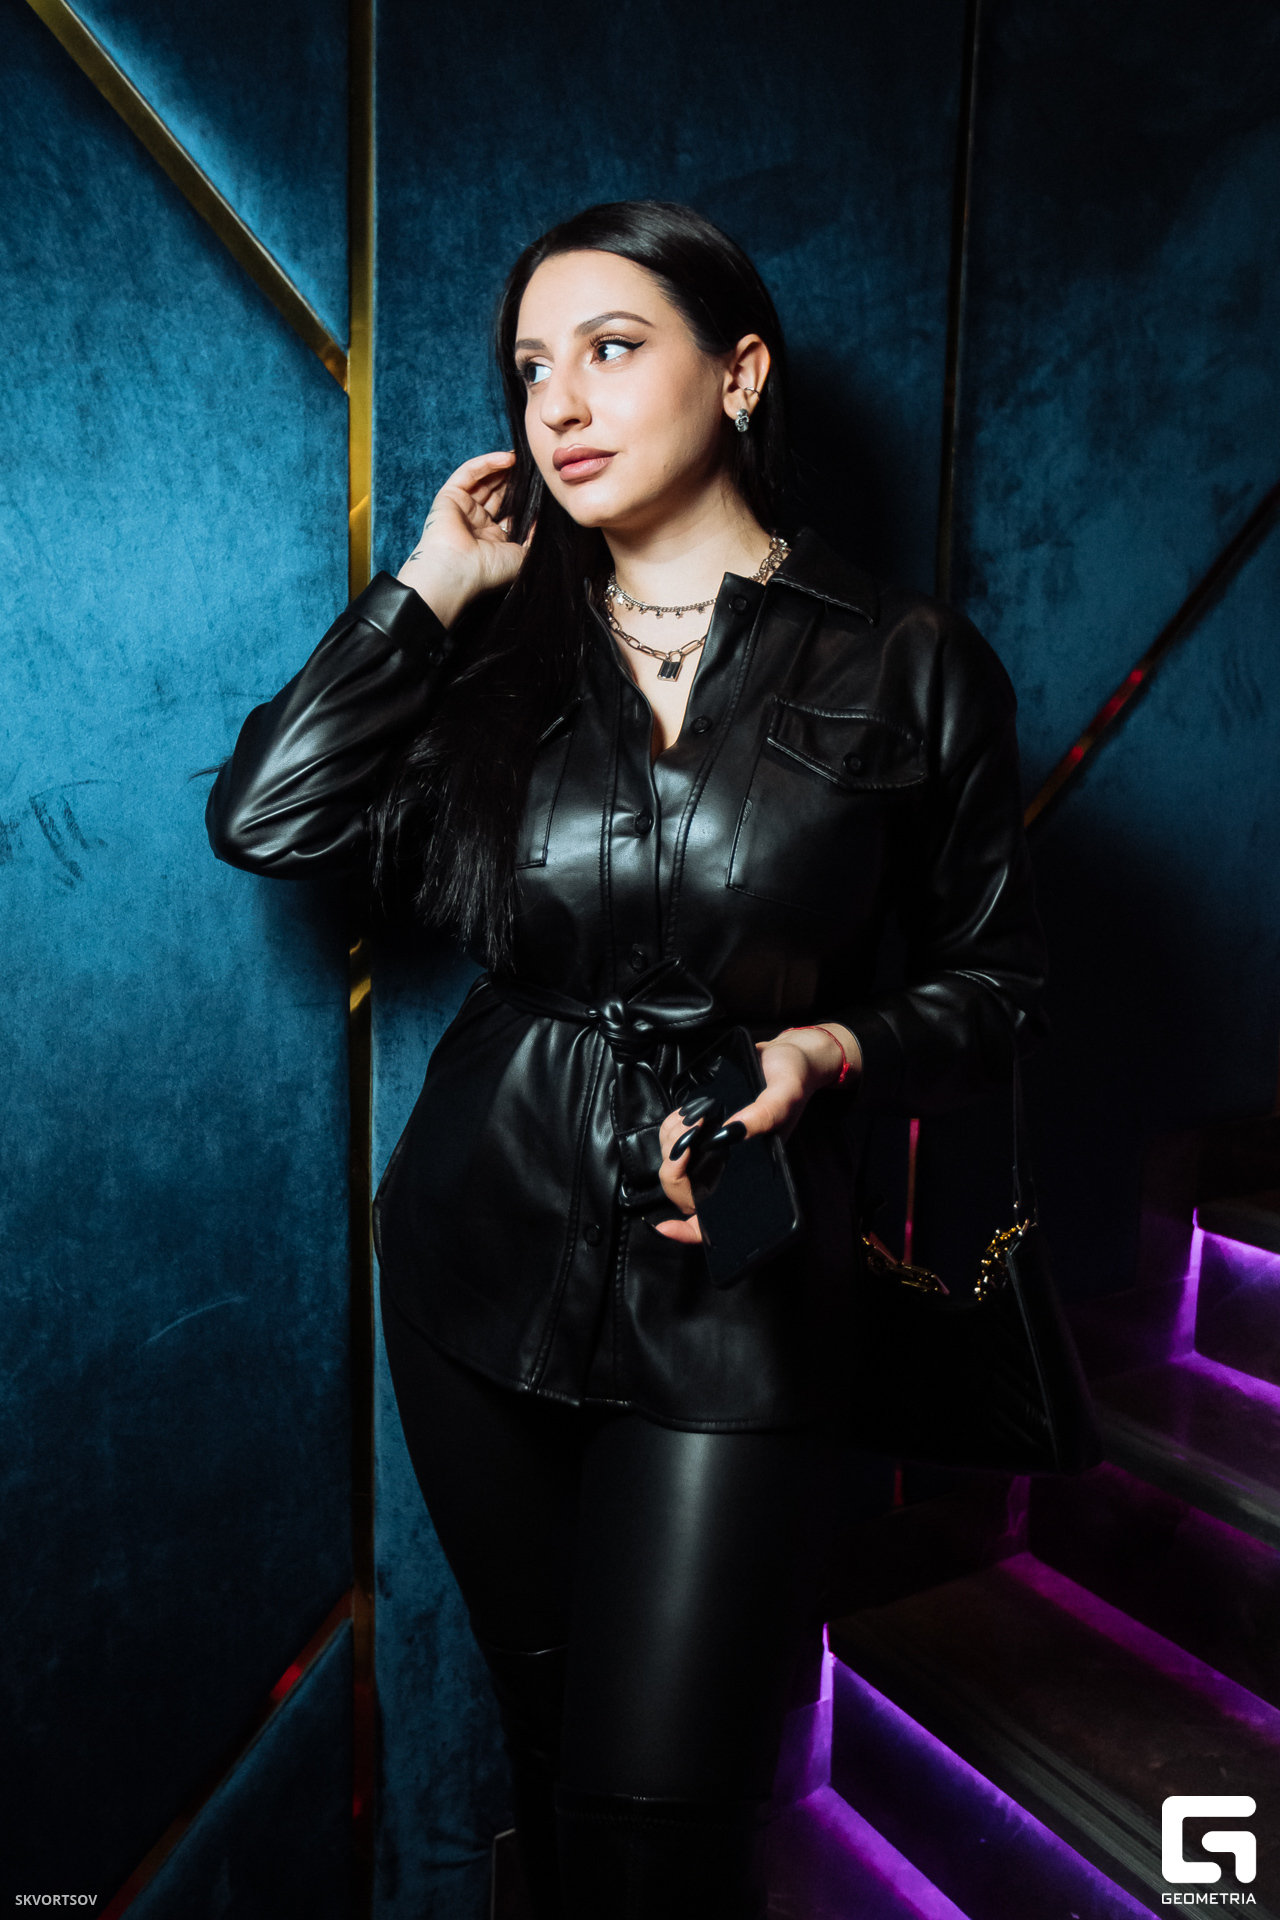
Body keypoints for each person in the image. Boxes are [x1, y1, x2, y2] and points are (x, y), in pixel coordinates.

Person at [207, 199, 1046, 1918]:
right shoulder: (490, 648)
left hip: (739, 1291)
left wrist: (831, 1048)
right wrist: (427, 589)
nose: (560, 404)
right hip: (473, 1263)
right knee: (549, 1753)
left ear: (739, 374)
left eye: (610, 348)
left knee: (660, 1816)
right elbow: (269, 820)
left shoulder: (911, 663)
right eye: (531, 370)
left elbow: (1001, 984)